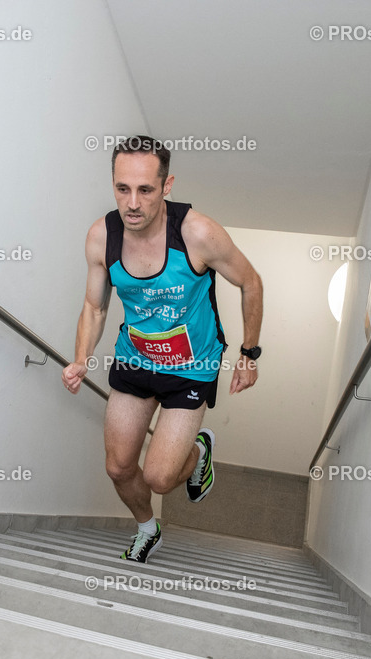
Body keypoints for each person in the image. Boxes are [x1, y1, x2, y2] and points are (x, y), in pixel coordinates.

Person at [62, 135, 263, 562]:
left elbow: (250, 282)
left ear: (166, 186)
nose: (132, 203)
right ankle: (146, 528)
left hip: (192, 366)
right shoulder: (102, 237)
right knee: (118, 467)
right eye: (122, 189)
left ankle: (198, 451)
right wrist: (81, 358)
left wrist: (250, 353)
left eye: (145, 190)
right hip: (135, 359)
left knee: (159, 476)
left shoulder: (197, 233)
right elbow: (94, 306)